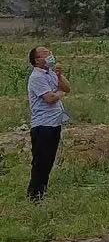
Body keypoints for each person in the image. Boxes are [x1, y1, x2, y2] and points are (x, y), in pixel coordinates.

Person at [27, 46, 70, 202]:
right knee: (41, 162)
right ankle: (34, 196)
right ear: (37, 60)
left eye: (49, 52)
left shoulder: (50, 73)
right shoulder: (36, 77)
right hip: (42, 126)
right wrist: (59, 93)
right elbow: (50, 98)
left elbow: (67, 88)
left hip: (54, 123)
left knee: (49, 161)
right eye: (45, 53)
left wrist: (59, 75)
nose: (50, 55)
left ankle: (41, 193)